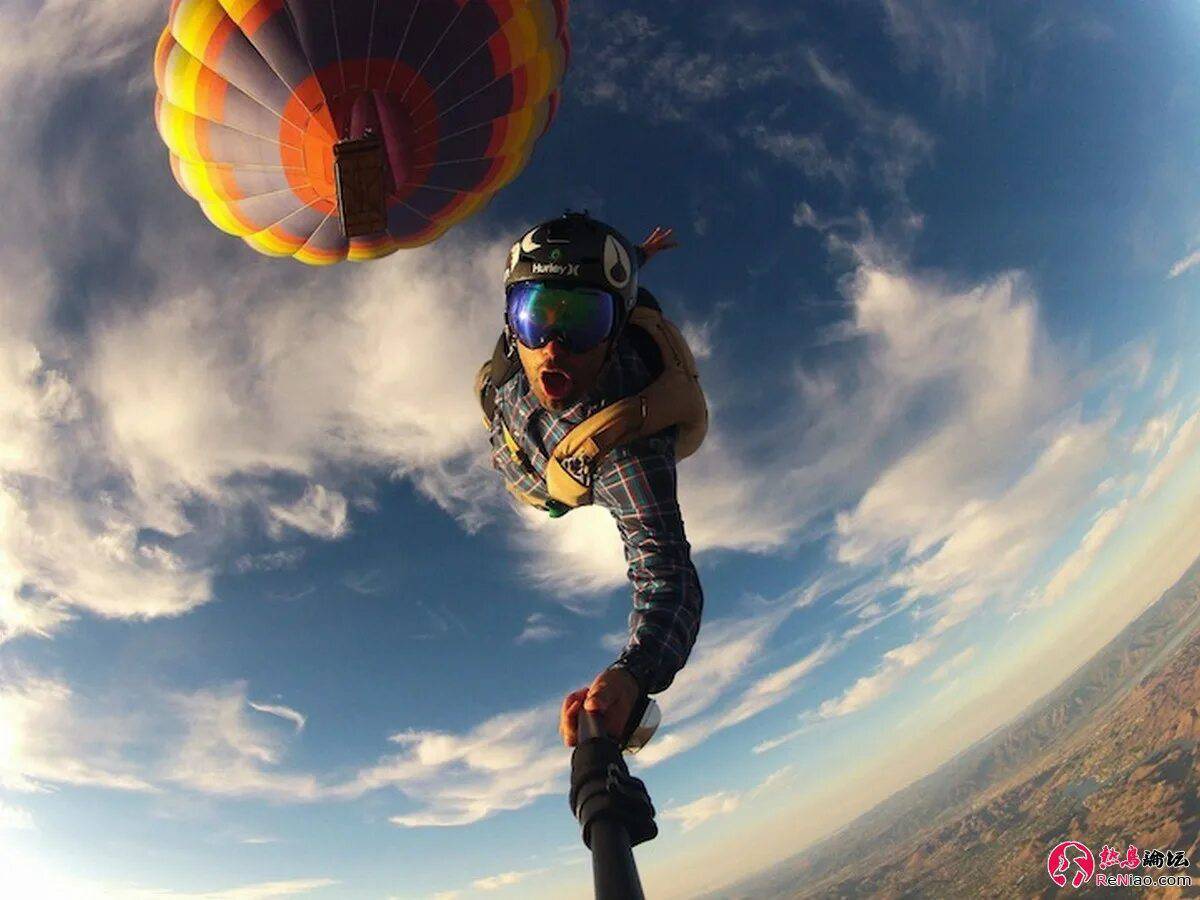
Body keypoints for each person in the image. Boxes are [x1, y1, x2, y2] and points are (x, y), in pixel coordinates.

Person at [474, 212, 707, 748]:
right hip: (514, 433)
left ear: (617, 328)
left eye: (583, 321)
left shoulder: (626, 448)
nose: (553, 347)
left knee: (544, 491)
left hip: (550, 475)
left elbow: (666, 574)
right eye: (534, 318)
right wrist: (638, 256)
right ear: (512, 321)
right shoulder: (527, 347)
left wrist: (634, 673)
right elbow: (603, 276)